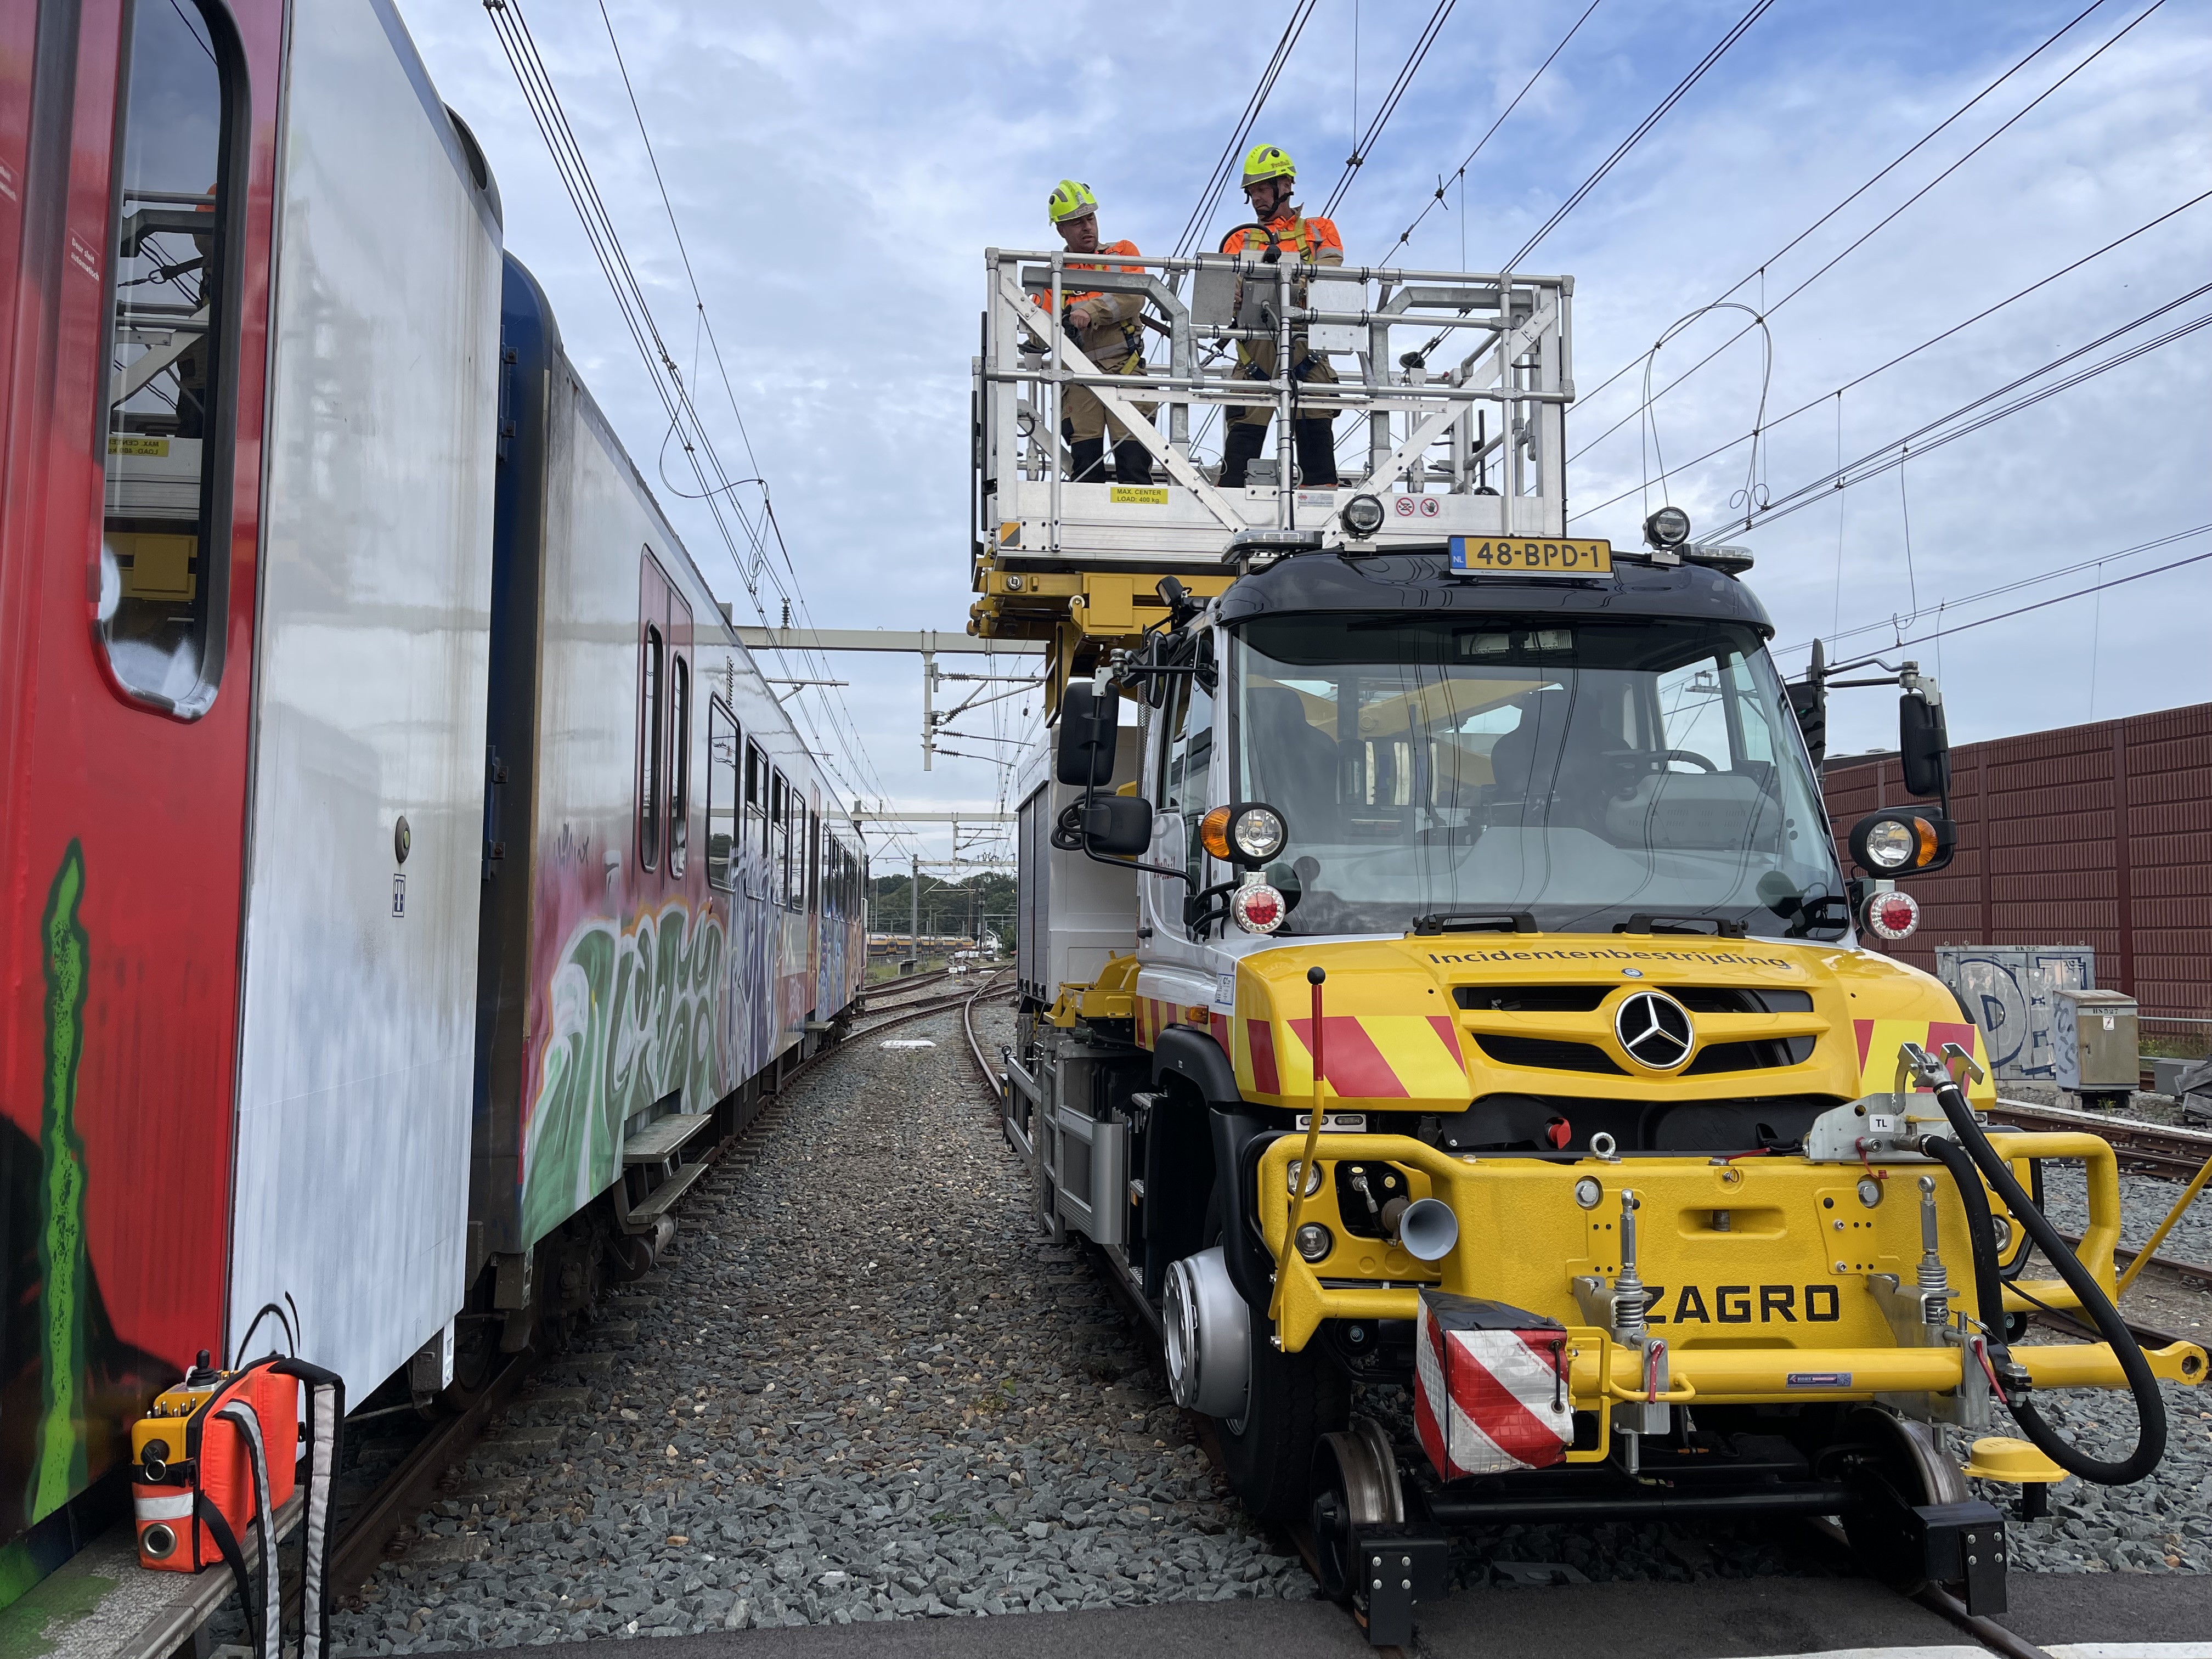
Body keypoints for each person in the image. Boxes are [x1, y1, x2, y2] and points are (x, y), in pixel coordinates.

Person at [1217, 144, 1341, 489]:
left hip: (1307, 348)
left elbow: (1331, 277)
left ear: (1285, 185)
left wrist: (1295, 282)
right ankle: (1231, 510)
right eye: (1251, 192)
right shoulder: (1240, 237)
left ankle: (1319, 505)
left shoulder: (1319, 230)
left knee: (1317, 440)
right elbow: (1225, 286)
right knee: (1241, 445)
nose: (1256, 199)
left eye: (1261, 189)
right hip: (1255, 349)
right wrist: (1233, 293)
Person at [1039, 180, 1155, 485]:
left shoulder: (1122, 253)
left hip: (1125, 372)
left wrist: (1087, 312)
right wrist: (1057, 323)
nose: (1087, 227)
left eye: (1090, 218)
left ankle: (1141, 528)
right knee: (1087, 470)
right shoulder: (1053, 274)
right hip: (1078, 380)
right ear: (1061, 230)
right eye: (1076, 223)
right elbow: (1038, 331)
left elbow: (1133, 297)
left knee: (1134, 466)